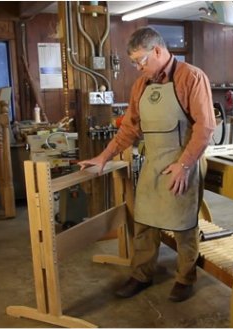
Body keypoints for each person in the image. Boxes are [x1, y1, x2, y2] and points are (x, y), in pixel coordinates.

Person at [78, 26, 215, 302]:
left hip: (183, 161)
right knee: (144, 222)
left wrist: (184, 165)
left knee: (183, 225)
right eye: (134, 63)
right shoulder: (141, 85)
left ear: (157, 50)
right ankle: (141, 274)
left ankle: (185, 278)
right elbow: (129, 129)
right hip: (153, 162)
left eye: (141, 61)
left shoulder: (191, 77)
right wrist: (103, 156)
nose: (138, 67)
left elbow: (205, 127)